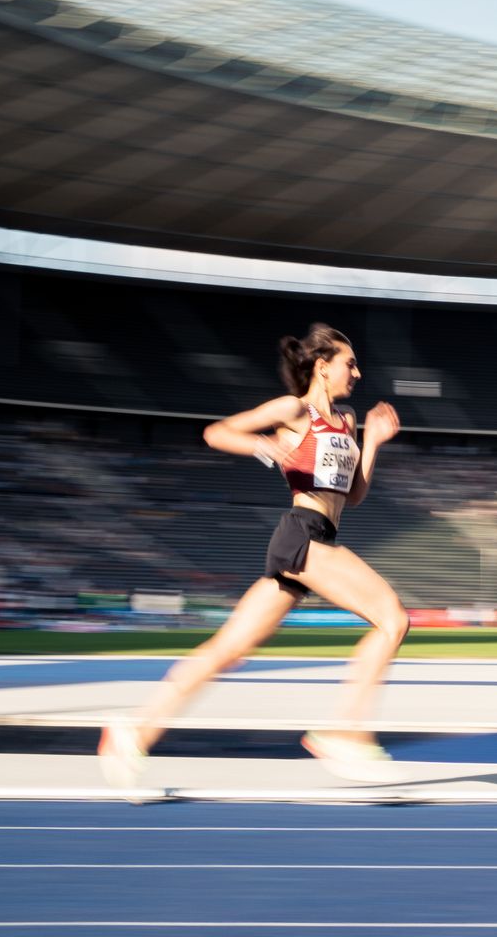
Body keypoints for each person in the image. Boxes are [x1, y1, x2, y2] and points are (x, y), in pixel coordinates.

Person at [99, 323, 406, 786]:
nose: (358, 373)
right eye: (349, 363)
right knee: (393, 619)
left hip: (315, 538)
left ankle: (134, 731)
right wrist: (267, 448)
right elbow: (217, 433)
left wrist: (374, 444)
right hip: (304, 536)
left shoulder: (345, 421)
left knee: (229, 650)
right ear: (322, 368)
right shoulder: (293, 410)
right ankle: (345, 730)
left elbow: (354, 494)